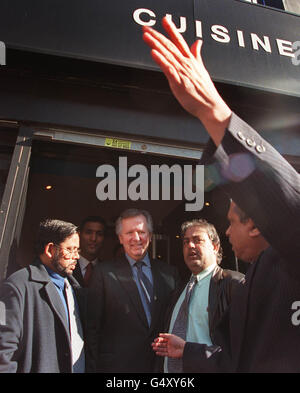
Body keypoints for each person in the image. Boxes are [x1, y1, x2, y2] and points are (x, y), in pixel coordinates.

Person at [144, 17, 300, 372]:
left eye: (230, 223)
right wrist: (189, 351)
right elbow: (236, 359)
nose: (226, 234)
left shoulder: (287, 263)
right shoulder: (253, 278)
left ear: (257, 223)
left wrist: (216, 115)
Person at [88, 208, 180, 373]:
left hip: (160, 368)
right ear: (120, 238)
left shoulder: (169, 274)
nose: (136, 238)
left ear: (150, 236)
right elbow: (92, 329)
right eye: (129, 232)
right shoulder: (103, 273)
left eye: (141, 232)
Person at [0, 219, 86, 373]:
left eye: (77, 250)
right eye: (71, 249)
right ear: (50, 250)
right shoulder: (17, 286)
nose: (77, 256)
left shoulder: (74, 288)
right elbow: (4, 351)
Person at [163, 219, 244, 373]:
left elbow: (242, 349)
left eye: (197, 240)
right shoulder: (178, 291)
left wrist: (189, 351)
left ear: (215, 246)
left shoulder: (233, 284)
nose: (190, 246)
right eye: (186, 242)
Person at [73, 216, 106, 287]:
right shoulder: (67, 266)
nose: (93, 238)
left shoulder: (107, 271)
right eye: (88, 232)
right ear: (79, 235)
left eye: (99, 234)